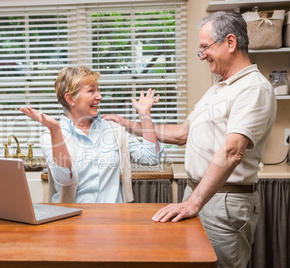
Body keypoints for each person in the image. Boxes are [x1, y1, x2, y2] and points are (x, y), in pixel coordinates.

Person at [103, 11, 277, 267]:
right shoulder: (218, 88)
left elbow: (233, 151)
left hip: (224, 201)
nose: (202, 55)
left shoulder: (253, 88)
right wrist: (128, 125)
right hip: (198, 195)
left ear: (230, 43)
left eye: (205, 47)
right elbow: (183, 133)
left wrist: (192, 203)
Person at [20, 66, 163, 203]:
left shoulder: (113, 129)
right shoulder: (51, 134)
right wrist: (55, 130)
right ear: (70, 99)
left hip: (112, 219)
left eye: (98, 90)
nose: (99, 96)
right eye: (91, 91)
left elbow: (151, 158)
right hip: (71, 220)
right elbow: (65, 179)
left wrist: (144, 114)